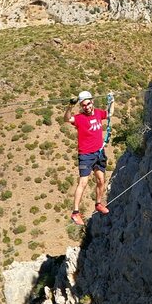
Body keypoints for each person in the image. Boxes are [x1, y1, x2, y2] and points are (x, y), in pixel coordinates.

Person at [64, 90, 114, 225]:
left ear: (92, 102)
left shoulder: (98, 112)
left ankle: (98, 203)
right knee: (83, 183)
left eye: (88, 104)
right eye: (83, 105)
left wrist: (112, 101)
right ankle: (75, 212)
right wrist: (70, 106)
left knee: (101, 180)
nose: (86, 107)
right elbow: (67, 119)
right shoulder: (79, 118)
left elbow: (110, 113)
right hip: (85, 155)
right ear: (81, 106)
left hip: (98, 153)